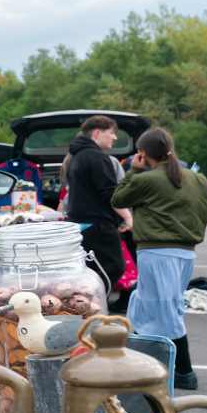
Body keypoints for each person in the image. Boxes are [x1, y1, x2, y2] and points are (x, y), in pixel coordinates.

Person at [112, 128, 207, 390]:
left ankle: (184, 371)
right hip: (185, 251)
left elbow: (118, 198)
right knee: (146, 304)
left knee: (164, 310)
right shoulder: (197, 178)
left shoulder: (148, 179)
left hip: (156, 251)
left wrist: (134, 171)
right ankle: (139, 360)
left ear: (143, 154)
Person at [65, 115, 126, 292]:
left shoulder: (76, 157)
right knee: (113, 267)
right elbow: (110, 194)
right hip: (99, 226)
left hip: (81, 225)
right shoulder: (97, 157)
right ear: (97, 133)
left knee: (91, 270)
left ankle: (87, 305)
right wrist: (128, 218)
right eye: (112, 133)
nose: (114, 137)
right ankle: (93, 304)